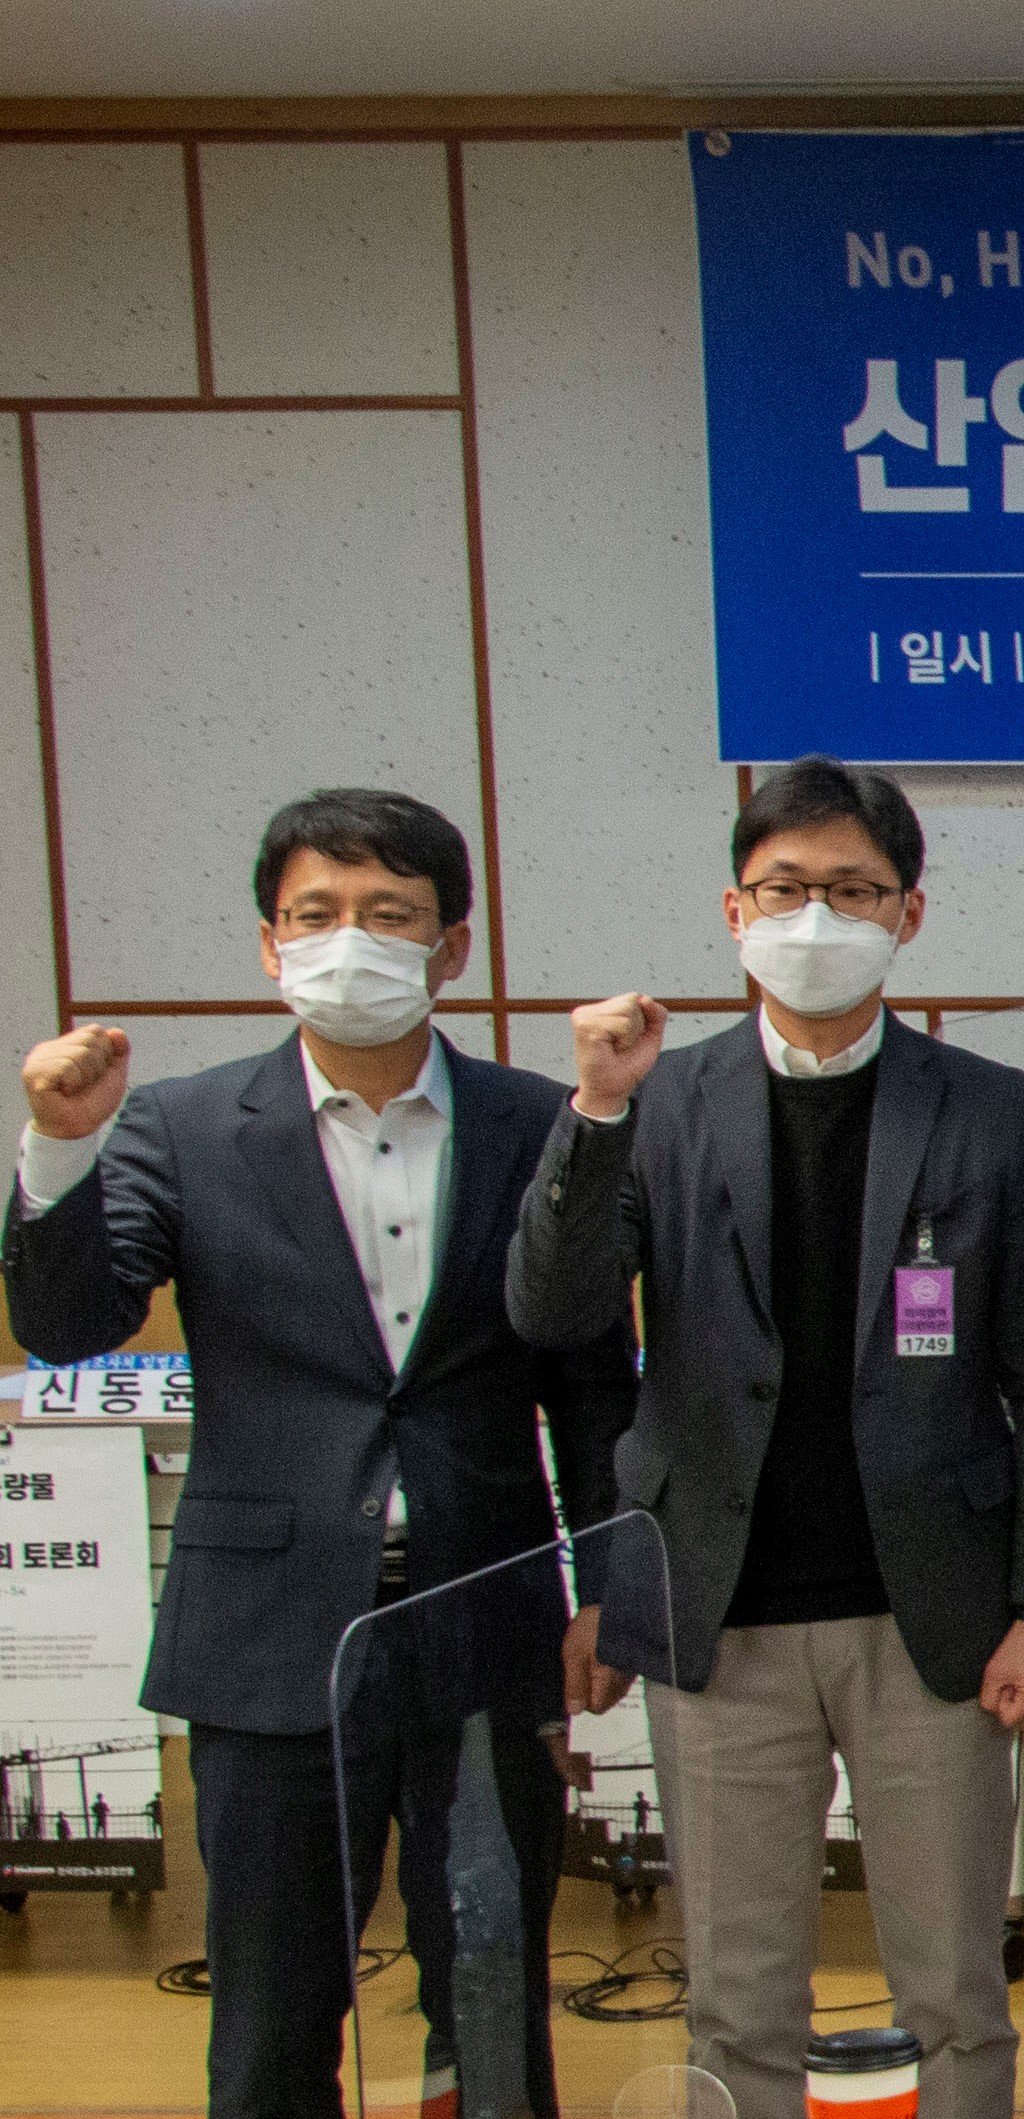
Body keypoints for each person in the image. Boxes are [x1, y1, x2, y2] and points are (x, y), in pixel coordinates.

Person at [5, 790, 636, 2119]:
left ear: (450, 947)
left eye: (388, 915)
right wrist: (60, 1150)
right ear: (269, 943)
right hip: (267, 1634)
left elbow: (588, 1381)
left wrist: (608, 1590)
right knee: (273, 2014)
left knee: (490, 1995)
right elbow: (67, 1327)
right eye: (316, 913)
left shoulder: (539, 1123)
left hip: (483, 1614)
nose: (349, 940)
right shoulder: (177, 1125)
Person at [505, 755, 1024, 2119]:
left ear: (908, 914)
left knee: (956, 1994)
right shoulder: (656, 1099)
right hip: (718, 1610)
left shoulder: (988, 1106)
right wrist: (594, 1113)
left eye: (853, 890)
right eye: (785, 889)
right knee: (738, 1997)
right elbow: (557, 1313)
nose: (816, 918)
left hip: (933, 1616)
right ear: (735, 910)